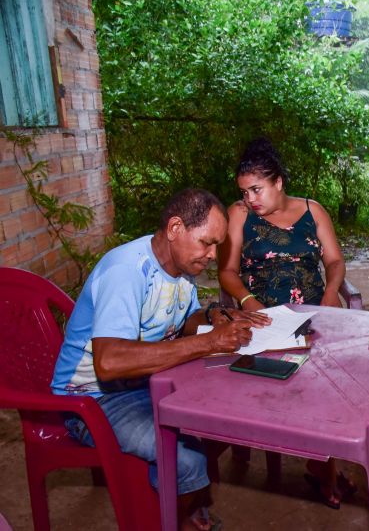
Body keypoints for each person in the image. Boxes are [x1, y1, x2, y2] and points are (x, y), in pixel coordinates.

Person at [51, 188, 271, 531]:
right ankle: (170, 518)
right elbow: (108, 362)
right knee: (187, 459)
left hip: (143, 382)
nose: (213, 255)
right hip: (91, 399)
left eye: (218, 245)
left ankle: (168, 493)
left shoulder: (182, 268)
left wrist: (215, 315)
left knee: (227, 421)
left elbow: (181, 322)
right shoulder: (126, 271)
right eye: (207, 243)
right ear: (175, 228)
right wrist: (208, 343)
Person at [217, 136, 353, 509]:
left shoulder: (313, 210)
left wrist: (330, 294)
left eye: (256, 189)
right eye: (244, 192)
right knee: (264, 379)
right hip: (262, 317)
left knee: (327, 384)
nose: (250, 199)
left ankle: (321, 464)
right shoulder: (239, 216)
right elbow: (227, 271)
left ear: (279, 182)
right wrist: (250, 303)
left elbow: (335, 262)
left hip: (314, 314)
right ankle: (261, 446)